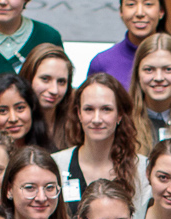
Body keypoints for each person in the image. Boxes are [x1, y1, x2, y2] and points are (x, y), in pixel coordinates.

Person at [52, 74, 147, 207]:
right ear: (79, 114)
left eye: (106, 109)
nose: (96, 119)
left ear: (120, 115)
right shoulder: (55, 164)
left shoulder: (142, 170)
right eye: (89, 109)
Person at [24, 42, 79, 150]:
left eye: (61, 82)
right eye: (45, 79)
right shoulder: (16, 121)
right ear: (29, 77)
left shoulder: (75, 122)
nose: (54, 90)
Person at [0, 72, 51, 151]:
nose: (13, 119)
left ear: (32, 109)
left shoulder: (48, 153)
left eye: (20, 108)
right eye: (2, 111)